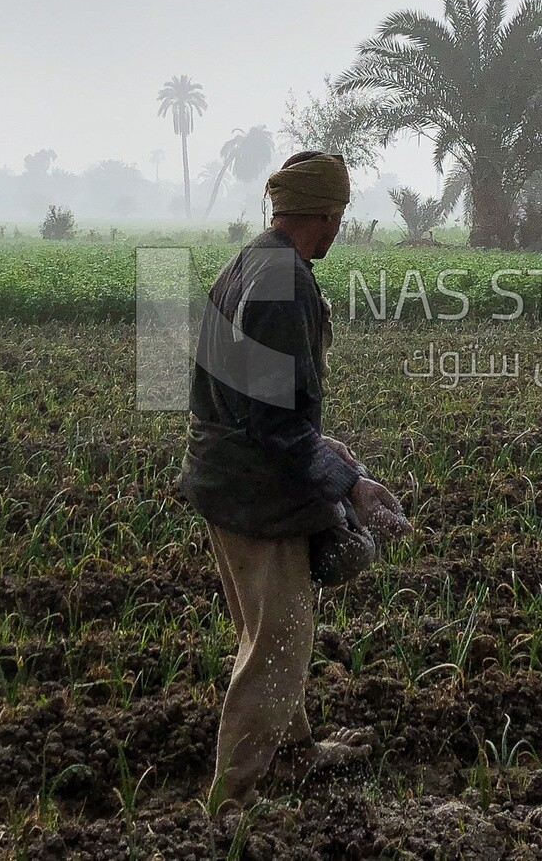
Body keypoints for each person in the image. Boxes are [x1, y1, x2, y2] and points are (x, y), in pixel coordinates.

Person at [179, 150, 412, 814]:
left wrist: (344, 464)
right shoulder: (286, 282)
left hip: (222, 476)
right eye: (340, 214)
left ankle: (298, 751)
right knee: (278, 639)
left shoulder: (251, 260)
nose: (341, 225)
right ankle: (233, 799)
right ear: (328, 215)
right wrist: (351, 485)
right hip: (255, 493)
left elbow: (253, 403)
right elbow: (275, 426)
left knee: (274, 627)